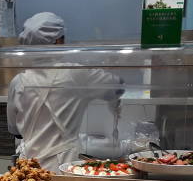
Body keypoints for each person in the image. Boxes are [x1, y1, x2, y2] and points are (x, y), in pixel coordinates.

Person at [7, 12, 123, 171]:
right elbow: (117, 86)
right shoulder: (76, 74)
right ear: (58, 41)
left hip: (27, 169)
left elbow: (14, 130)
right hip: (61, 166)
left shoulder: (18, 81)